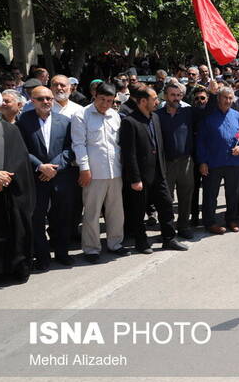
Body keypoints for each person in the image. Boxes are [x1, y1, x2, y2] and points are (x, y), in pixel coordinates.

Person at [119, 86, 188, 254]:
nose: (158, 101)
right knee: (138, 210)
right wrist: (135, 179)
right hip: (140, 176)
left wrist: (163, 169)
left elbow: (159, 146)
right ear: (143, 101)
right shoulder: (129, 122)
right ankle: (141, 242)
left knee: (166, 205)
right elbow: (129, 154)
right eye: (154, 99)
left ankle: (169, 239)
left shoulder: (155, 117)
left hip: (159, 173)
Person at [17, 86, 77, 270]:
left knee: (62, 218)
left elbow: (70, 149)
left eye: (49, 98)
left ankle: (62, 253)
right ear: (32, 101)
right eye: (41, 99)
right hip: (36, 178)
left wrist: (53, 168)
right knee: (37, 219)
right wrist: (40, 166)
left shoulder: (65, 121)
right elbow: (21, 149)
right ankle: (43, 257)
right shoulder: (23, 121)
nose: (46, 102)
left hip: (60, 178)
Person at [71, 82, 129, 263]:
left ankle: (115, 243)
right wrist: (84, 168)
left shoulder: (115, 115)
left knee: (116, 210)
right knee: (92, 212)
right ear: (95, 95)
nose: (105, 104)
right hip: (94, 172)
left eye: (109, 101)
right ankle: (91, 248)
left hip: (115, 171)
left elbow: (118, 144)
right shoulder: (81, 115)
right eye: (102, 99)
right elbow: (78, 144)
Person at [0, 85, 35, 283]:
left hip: (9, 190)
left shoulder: (11, 130)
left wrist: (5, 178)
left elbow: (20, 158)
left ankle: (15, 268)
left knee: (15, 229)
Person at [196, 86, 239, 234]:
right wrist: (202, 161)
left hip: (233, 162)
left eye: (230, 98)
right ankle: (210, 223)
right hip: (213, 162)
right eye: (225, 97)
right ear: (218, 99)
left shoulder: (237, 115)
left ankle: (231, 220)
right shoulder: (209, 116)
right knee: (210, 195)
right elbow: (200, 140)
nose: (228, 101)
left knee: (233, 194)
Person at [156, 83, 196, 238]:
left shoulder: (188, 112)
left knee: (186, 196)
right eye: (173, 95)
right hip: (166, 163)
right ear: (165, 96)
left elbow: (206, 112)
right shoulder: (157, 115)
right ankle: (168, 230)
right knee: (166, 199)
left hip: (186, 162)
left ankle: (184, 226)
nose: (176, 98)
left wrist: (212, 94)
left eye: (179, 95)